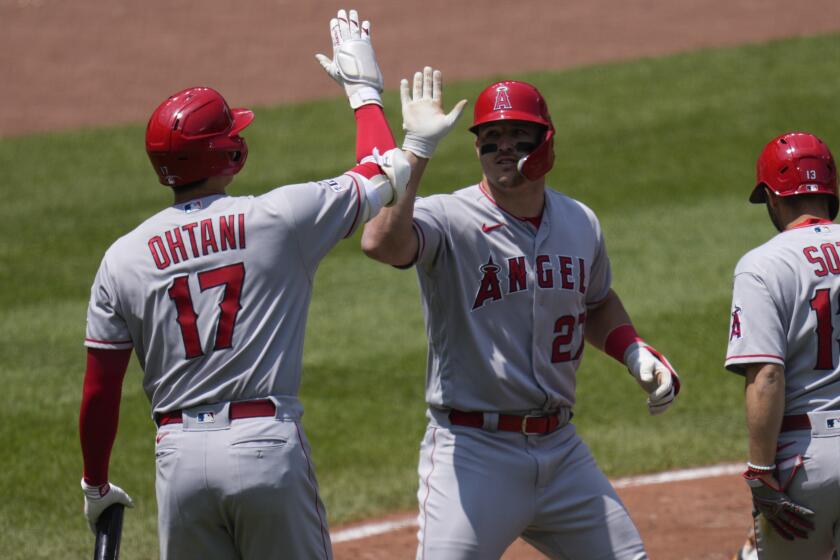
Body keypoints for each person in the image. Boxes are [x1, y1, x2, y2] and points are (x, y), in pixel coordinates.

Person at [78, 9, 424, 559]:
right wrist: (364, 92)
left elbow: (99, 391)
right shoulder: (279, 218)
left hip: (178, 462)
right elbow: (385, 168)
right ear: (228, 153)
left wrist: (95, 484)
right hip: (265, 446)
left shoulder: (121, 257)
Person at [362, 79, 681, 559]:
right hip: (473, 453)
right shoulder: (449, 218)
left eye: (518, 135)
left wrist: (632, 349)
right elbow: (381, 243)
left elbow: (594, 302)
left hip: (562, 451)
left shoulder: (579, 222)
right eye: (491, 137)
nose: (503, 147)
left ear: (546, 142)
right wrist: (418, 151)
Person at [725, 131, 840, 559]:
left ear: (773, 198)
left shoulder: (763, 265)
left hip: (806, 461)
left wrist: (759, 472)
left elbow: (767, 374)